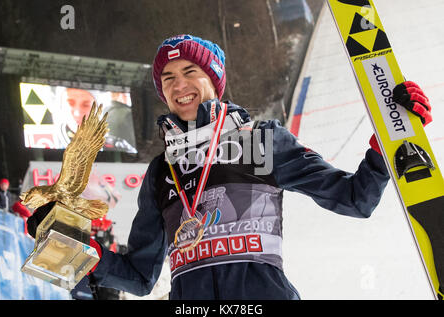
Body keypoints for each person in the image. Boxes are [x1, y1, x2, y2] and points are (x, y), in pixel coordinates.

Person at [27, 34, 433, 299]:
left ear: (214, 79)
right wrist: (67, 243)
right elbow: (138, 275)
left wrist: (388, 143)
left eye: (190, 72)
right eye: (167, 78)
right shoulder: (162, 171)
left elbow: (353, 198)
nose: (178, 84)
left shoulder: (260, 141)